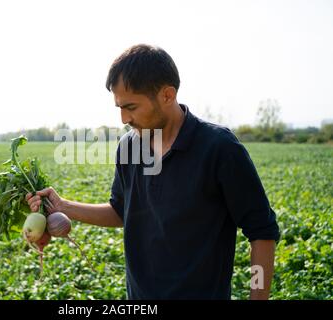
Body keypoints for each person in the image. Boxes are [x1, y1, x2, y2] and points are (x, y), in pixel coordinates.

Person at [26, 44, 280, 300]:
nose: (124, 119)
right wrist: (62, 206)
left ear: (167, 95)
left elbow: (262, 233)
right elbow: (120, 211)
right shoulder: (129, 146)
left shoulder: (219, 148)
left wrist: (258, 298)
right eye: (119, 108)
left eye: (132, 107)